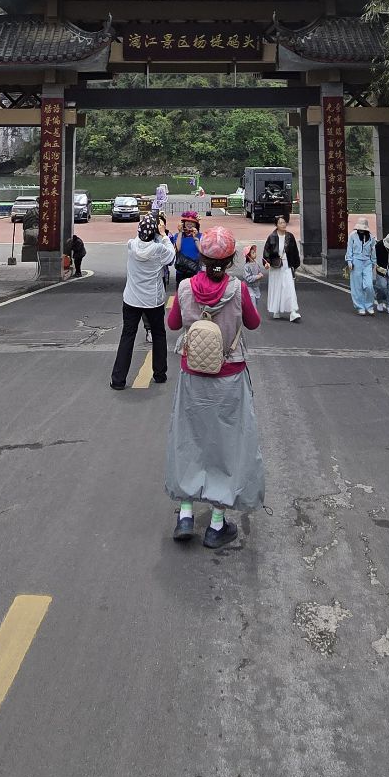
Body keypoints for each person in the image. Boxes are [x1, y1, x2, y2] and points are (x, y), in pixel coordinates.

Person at [165, 226, 264, 548]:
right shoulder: (238, 289)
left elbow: (173, 324)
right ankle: (217, 524)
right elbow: (253, 323)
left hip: (193, 373)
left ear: (202, 257)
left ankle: (185, 514)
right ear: (231, 259)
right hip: (229, 374)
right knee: (226, 445)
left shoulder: (184, 287)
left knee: (189, 440)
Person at [110, 214, 175, 389]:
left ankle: (118, 379)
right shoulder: (159, 249)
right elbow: (171, 256)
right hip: (153, 301)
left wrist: (151, 228)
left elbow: (141, 237)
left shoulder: (131, 245)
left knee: (127, 336)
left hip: (131, 299)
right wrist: (163, 235)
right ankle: (159, 374)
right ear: (154, 233)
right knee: (159, 335)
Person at [263, 210, 300, 321]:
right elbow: (266, 252)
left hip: (287, 266)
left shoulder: (290, 237)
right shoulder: (272, 237)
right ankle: (276, 310)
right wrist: (266, 262)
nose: (283, 224)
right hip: (275, 266)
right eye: (280, 223)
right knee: (277, 287)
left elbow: (295, 252)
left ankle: (293, 312)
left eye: (284, 222)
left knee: (290, 287)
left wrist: (295, 266)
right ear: (276, 225)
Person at [345, 222, 377, 314]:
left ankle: (369, 305)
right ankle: (360, 306)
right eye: (360, 228)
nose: (361, 230)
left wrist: (373, 262)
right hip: (356, 261)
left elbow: (373, 251)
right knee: (357, 286)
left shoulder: (371, 237)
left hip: (367, 262)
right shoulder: (352, 236)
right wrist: (349, 261)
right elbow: (349, 248)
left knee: (369, 285)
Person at [172, 211, 202, 286]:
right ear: (183, 223)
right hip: (181, 270)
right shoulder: (177, 235)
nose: (189, 224)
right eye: (187, 221)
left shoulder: (201, 236)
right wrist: (180, 232)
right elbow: (177, 249)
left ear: (196, 224)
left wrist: (195, 237)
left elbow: (202, 251)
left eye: (192, 222)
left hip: (195, 269)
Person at [241, 242, 263, 311]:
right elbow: (248, 278)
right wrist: (257, 277)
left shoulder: (256, 263)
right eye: (253, 253)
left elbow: (259, 271)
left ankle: (252, 312)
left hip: (256, 286)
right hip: (249, 287)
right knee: (252, 299)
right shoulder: (246, 266)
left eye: (255, 252)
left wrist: (260, 274)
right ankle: (254, 314)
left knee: (257, 299)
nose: (255, 254)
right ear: (248, 256)